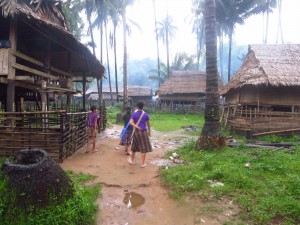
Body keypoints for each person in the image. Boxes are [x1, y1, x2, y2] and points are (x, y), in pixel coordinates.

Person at [128, 102, 152, 168]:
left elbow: (131, 122)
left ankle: (131, 160)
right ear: (143, 107)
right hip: (143, 132)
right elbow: (148, 124)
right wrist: (149, 131)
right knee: (143, 147)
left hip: (136, 132)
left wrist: (136, 126)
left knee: (134, 146)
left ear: (137, 106)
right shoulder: (146, 115)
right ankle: (142, 164)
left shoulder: (134, 114)